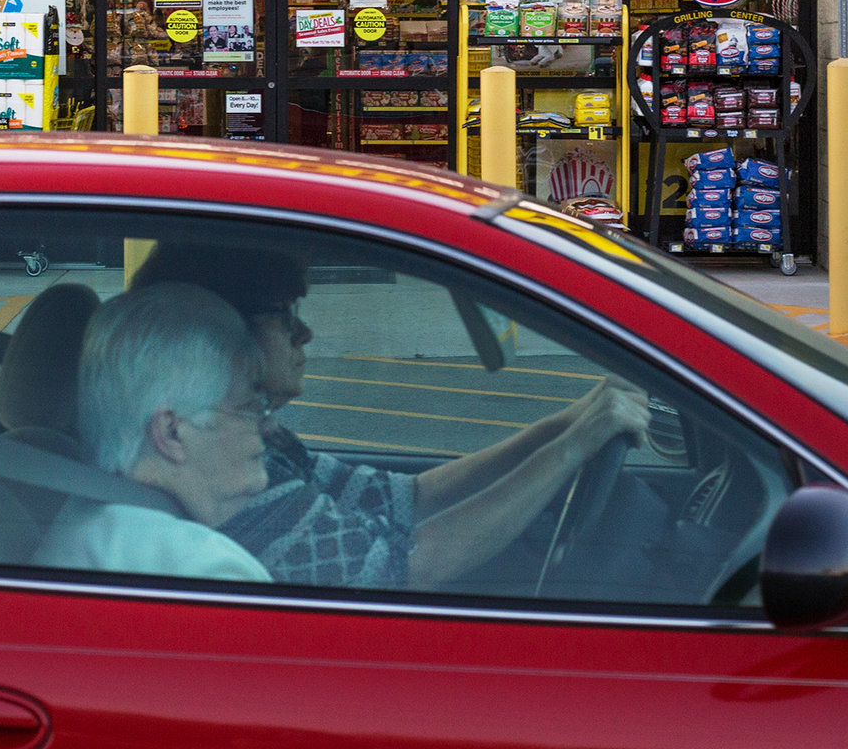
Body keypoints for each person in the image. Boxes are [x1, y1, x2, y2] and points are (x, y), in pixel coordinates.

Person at [132, 245, 649, 591]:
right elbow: (410, 562)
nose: (304, 334)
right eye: (285, 314)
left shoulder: (257, 437)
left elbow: (404, 499)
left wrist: (565, 425)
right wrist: (569, 449)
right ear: (222, 332)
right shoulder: (226, 471)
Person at [32, 282, 274, 583]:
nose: (268, 424)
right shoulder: (210, 570)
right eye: (249, 407)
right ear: (172, 432)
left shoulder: (78, 518)